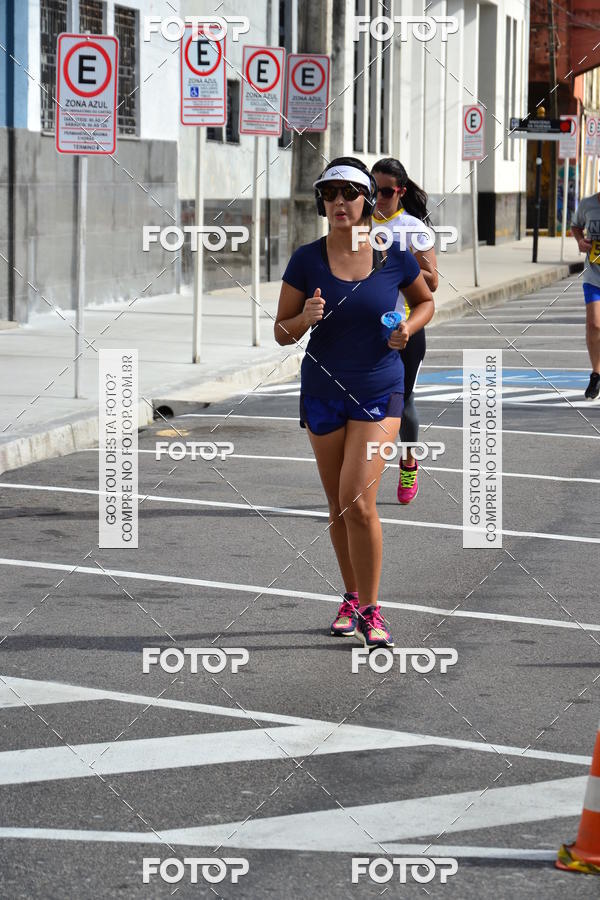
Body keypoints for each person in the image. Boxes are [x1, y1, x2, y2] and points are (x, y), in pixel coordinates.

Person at [274, 157, 434, 648]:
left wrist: (408, 326)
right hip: (323, 390)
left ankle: (371, 609)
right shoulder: (307, 259)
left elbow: (426, 301)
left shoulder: (391, 254)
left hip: (377, 389)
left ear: (366, 201)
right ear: (322, 203)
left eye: (349, 193)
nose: (339, 202)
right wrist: (305, 317)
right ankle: (349, 594)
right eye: (330, 194)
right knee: (337, 505)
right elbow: (281, 332)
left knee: (358, 500)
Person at [371, 158, 438, 503]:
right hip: (366, 329)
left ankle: (409, 459)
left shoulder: (414, 228)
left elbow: (433, 282)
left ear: (400, 192)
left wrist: (400, 260)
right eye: (372, 189)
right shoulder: (356, 224)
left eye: (385, 191)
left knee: (404, 399)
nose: (377, 198)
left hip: (406, 327)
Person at [571, 186, 600, 400]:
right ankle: (596, 374)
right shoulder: (587, 204)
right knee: (594, 324)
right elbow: (575, 227)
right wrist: (580, 241)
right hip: (594, 274)